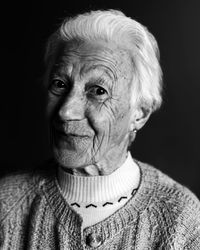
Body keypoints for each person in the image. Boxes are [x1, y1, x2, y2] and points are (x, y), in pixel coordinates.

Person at [0, 9, 200, 250]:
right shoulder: (6, 204)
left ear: (140, 113)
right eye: (59, 84)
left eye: (98, 90)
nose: (66, 111)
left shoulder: (182, 221)